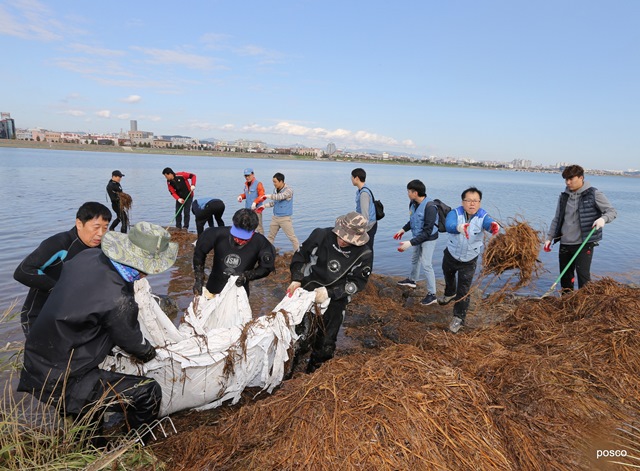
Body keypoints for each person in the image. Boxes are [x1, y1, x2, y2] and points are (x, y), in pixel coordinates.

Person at [18, 222, 178, 440]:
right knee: (148, 391)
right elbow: (131, 340)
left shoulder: (87, 258)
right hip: (66, 377)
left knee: (88, 426)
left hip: (38, 362)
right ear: (144, 267)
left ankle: (88, 445)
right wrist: (149, 353)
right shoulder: (118, 297)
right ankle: (135, 445)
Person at [287, 212, 373, 373]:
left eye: (348, 240)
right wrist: (296, 278)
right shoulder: (321, 235)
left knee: (326, 342)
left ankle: (314, 371)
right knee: (300, 336)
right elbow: (300, 256)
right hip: (309, 287)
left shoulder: (364, 253)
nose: (342, 241)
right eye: (341, 236)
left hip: (336, 296)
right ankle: (289, 369)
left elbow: (358, 283)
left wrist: (330, 293)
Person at [13, 202, 112, 336]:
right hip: (41, 315)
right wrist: (59, 289)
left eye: (105, 228)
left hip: (73, 315)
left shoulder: (101, 249)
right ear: (79, 223)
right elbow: (23, 271)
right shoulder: (60, 243)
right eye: (96, 227)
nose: (100, 234)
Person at [544, 164, 617, 292]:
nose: (568, 182)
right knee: (566, 278)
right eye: (566, 179)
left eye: (571, 179)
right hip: (565, 242)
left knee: (583, 277)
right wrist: (549, 238)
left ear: (581, 178)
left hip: (584, 243)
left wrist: (602, 219)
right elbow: (557, 218)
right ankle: (566, 304)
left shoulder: (594, 194)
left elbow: (611, 212)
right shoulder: (563, 196)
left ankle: (584, 305)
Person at [440, 187, 500, 334]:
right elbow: (449, 226)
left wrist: (494, 227)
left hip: (469, 259)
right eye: (469, 201)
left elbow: (489, 224)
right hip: (451, 254)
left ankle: (458, 318)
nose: (472, 204)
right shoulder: (455, 213)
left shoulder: (483, 216)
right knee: (448, 275)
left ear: (479, 202)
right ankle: (449, 292)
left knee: (464, 289)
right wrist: (460, 227)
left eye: (475, 201)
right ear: (463, 202)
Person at [193, 208, 275, 297]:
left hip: (239, 291)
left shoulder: (261, 242)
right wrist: (199, 278)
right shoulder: (216, 234)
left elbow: (266, 268)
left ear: (253, 231)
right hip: (214, 287)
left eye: (244, 238)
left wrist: (247, 276)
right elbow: (199, 253)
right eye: (237, 236)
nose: (239, 240)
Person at [394, 179, 439, 305]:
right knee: (415, 258)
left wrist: (410, 243)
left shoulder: (430, 207)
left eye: (409, 191)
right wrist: (403, 229)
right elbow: (413, 220)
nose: (407, 193)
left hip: (429, 238)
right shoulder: (412, 203)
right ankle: (412, 280)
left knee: (426, 264)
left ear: (415, 192)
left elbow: (428, 231)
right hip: (418, 236)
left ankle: (432, 294)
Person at [261, 172, 299, 251]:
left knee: (292, 238)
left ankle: (299, 255)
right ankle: (266, 253)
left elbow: (280, 197)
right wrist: (264, 206)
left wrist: (267, 196)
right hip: (275, 218)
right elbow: (275, 202)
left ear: (281, 181)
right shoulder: (275, 190)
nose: (274, 184)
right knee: (270, 237)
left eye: (275, 182)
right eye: (273, 182)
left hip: (285, 219)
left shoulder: (289, 190)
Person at [350, 168, 377, 256]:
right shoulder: (362, 190)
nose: (351, 179)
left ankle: (368, 269)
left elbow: (365, 215)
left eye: (352, 177)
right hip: (370, 224)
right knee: (366, 249)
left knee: (367, 250)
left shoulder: (364, 194)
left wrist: (362, 230)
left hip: (368, 226)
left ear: (356, 178)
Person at [237, 168, 266, 234]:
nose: (247, 177)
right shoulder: (246, 184)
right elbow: (246, 194)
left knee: (258, 227)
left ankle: (261, 242)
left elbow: (262, 196)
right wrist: (241, 196)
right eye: (245, 176)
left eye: (248, 175)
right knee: (247, 225)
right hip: (248, 210)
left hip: (257, 210)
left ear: (253, 174)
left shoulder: (258, 184)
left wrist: (255, 202)